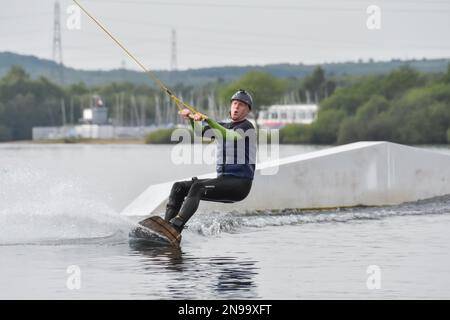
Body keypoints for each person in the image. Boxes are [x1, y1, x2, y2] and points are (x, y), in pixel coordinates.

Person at [165, 89, 257, 233]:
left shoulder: (246, 127)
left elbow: (230, 136)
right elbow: (199, 132)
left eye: (241, 105)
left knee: (198, 187)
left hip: (240, 185)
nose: (237, 107)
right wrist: (190, 118)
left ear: (248, 110)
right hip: (223, 180)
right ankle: (165, 228)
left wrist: (209, 120)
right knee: (179, 187)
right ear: (230, 106)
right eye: (234, 103)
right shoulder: (223, 125)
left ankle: (176, 227)